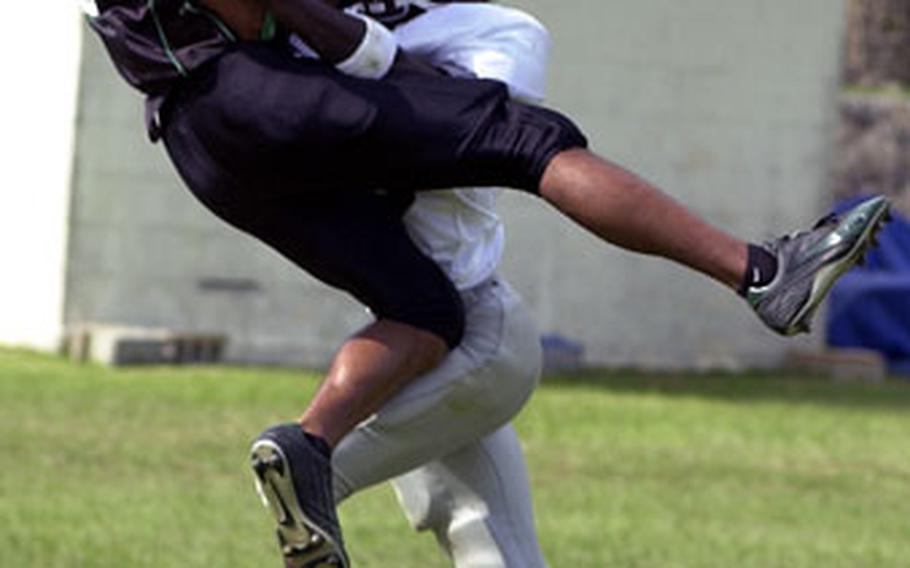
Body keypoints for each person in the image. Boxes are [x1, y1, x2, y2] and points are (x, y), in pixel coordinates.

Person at [79, 1, 890, 566]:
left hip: (199, 145)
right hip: (252, 94)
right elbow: (269, 15)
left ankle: (309, 450)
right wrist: (372, 53)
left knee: (420, 307)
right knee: (524, 137)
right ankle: (762, 274)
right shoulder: (475, 33)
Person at [287, 2, 552, 566]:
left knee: (479, 528)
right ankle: (303, 469)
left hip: (416, 321)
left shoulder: (491, 36)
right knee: (478, 529)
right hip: (471, 323)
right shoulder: (305, 44)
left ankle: (302, 473)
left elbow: (451, 121)